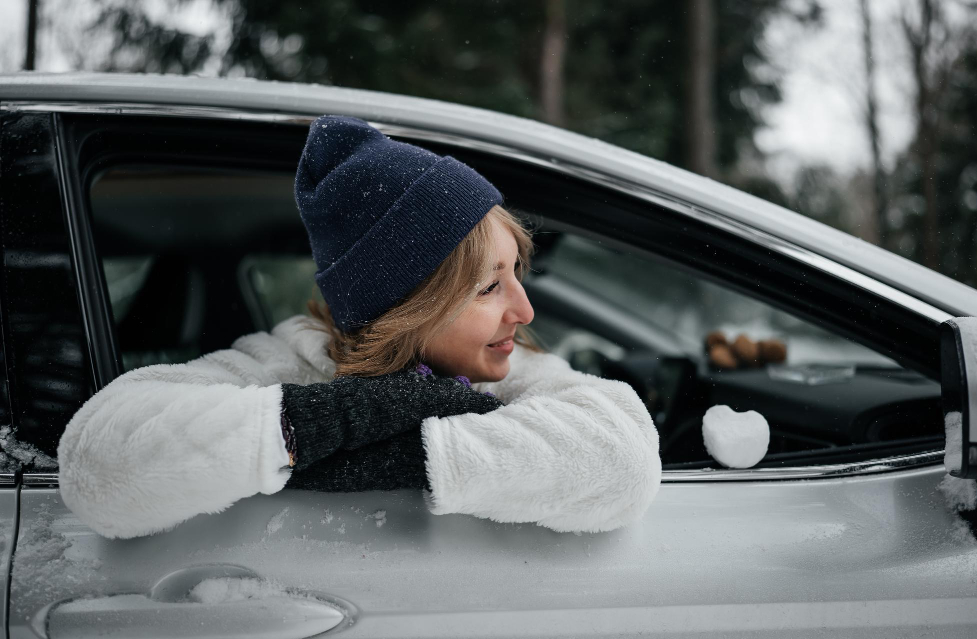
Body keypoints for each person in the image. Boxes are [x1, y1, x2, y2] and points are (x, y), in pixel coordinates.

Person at [57, 115, 661, 540]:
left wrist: (418, 453)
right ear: (409, 303)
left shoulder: (511, 370)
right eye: (488, 285)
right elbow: (95, 466)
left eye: (515, 272)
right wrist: (321, 422)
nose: (524, 311)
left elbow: (626, 461)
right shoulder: (280, 365)